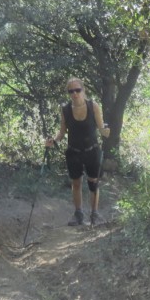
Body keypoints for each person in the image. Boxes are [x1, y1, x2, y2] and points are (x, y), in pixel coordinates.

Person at [45, 77, 110, 226]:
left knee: (93, 182)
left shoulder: (93, 106)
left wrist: (107, 132)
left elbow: (101, 129)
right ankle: (78, 214)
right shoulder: (65, 109)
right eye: (71, 91)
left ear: (83, 90)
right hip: (74, 151)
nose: (74, 94)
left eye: (77, 90)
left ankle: (94, 214)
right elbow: (62, 133)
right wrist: (53, 141)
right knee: (76, 183)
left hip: (91, 150)